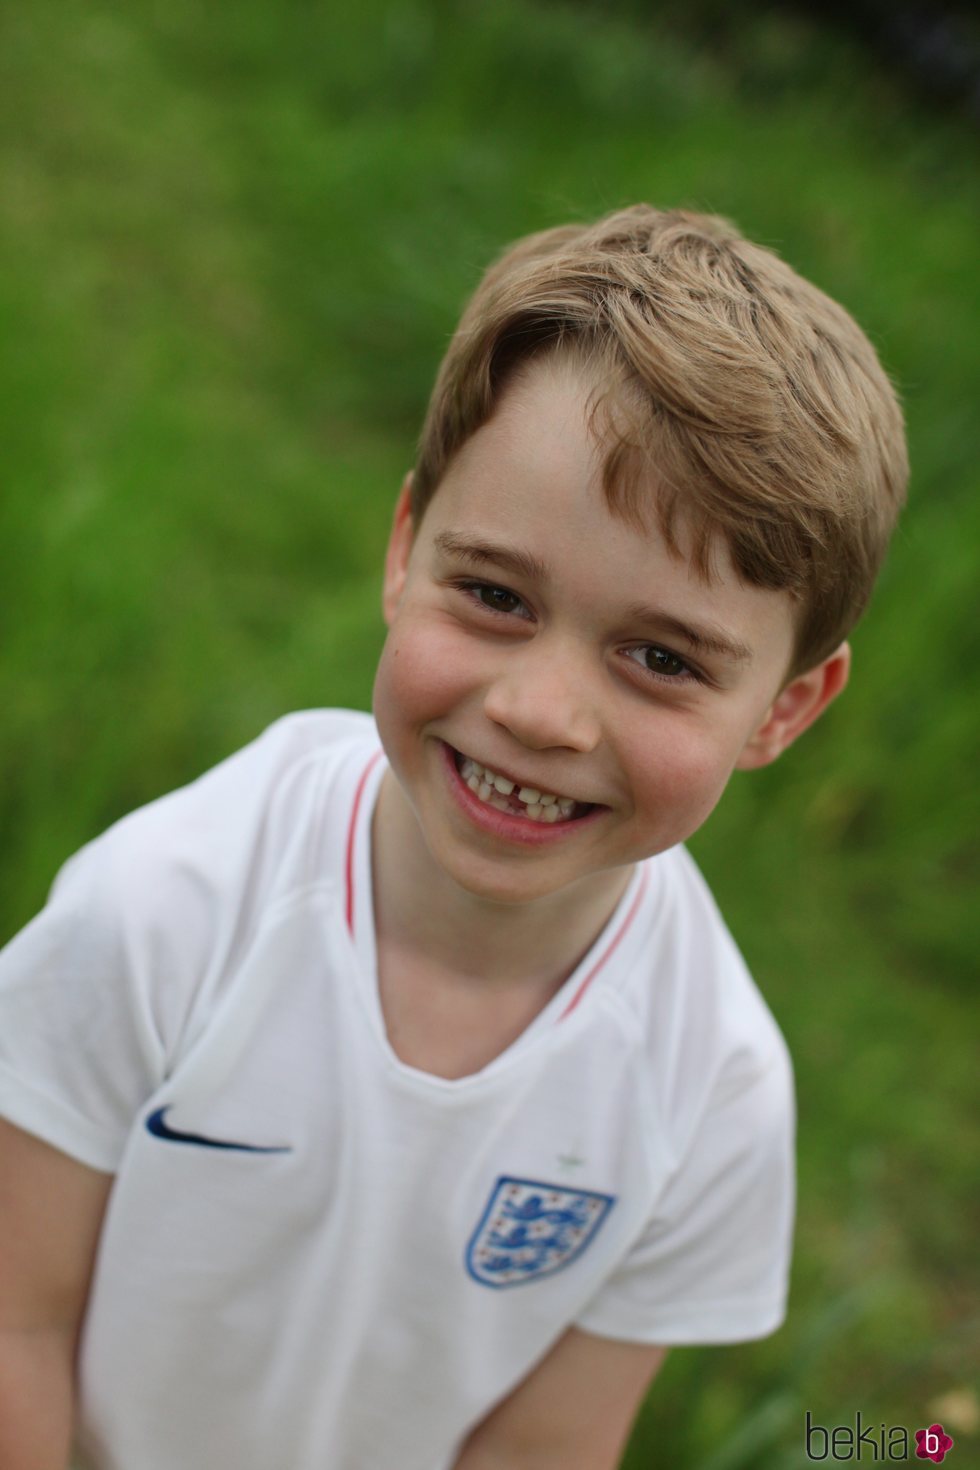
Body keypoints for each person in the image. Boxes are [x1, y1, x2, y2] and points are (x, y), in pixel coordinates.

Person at [0, 204, 907, 1470]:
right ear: (403, 547)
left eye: (659, 659)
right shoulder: (159, 914)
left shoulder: (713, 1094)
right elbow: (16, 1326)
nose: (538, 711)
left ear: (785, 708)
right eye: (492, 596)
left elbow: (544, 1452)